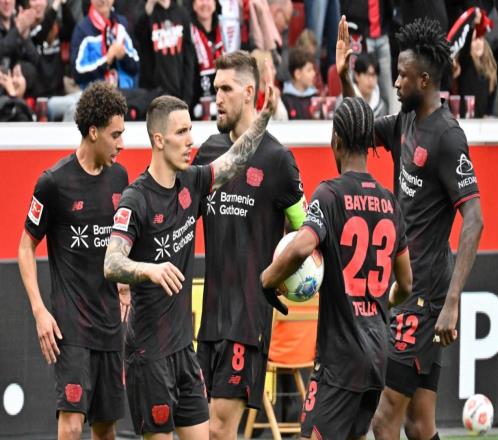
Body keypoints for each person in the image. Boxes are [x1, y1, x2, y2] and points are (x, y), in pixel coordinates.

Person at [103, 74, 276, 438]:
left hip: (184, 351)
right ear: (159, 139)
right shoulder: (136, 199)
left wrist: (263, 116)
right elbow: (111, 263)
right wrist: (149, 270)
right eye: (181, 132)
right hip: (149, 356)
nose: (190, 141)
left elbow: (234, 161)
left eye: (190, 131)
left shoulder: (193, 181)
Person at [336, 15, 484, 439]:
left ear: (424, 79)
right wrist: (345, 77)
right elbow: (361, 130)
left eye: (402, 76)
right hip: (407, 291)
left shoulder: (447, 136)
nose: (395, 83)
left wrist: (452, 303)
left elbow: (474, 220)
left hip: (423, 299)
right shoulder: (407, 120)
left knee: (383, 419)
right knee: (420, 424)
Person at [261, 96, 412, 440]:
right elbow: (406, 283)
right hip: (378, 353)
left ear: (336, 140)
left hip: (340, 358)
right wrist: (381, 303)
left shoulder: (329, 195)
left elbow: (302, 246)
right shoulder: (390, 202)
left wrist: (267, 279)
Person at [191, 50, 305, 439]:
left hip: (247, 321)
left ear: (250, 93)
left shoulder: (278, 159)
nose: (217, 98)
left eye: (226, 89)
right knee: (197, 429)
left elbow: (305, 232)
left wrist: (283, 275)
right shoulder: (207, 153)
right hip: (209, 322)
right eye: (215, 89)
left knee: (219, 429)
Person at [18, 81, 130, 440]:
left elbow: (122, 242)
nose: (122, 144)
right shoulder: (53, 183)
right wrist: (39, 311)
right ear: (93, 132)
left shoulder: (120, 177)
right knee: (70, 426)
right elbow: (25, 248)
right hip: (72, 328)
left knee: (106, 431)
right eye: (115, 135)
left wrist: (125, 286)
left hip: (111, 326)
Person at [282, 46, 318, 119]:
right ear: (297, 74)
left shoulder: (315, 97)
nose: (314, 73)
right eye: (309, 70)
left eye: (313, 69)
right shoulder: (285, 100)